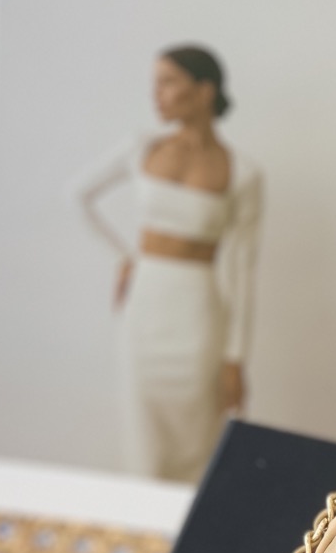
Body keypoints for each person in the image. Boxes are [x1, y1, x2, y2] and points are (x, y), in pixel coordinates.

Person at [76, 45, 262, 483]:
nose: (155, 94)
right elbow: (78, 195)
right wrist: (123, 257)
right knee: (142, 438)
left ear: (204, 90)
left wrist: (235, 360)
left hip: (198, 318)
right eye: (154, 84)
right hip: (143, 310)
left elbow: (242, 273)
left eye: (167, 82)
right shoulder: (140, 148)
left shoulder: (244, 173)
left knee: (198, 442)